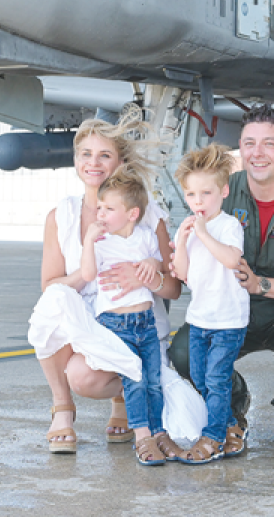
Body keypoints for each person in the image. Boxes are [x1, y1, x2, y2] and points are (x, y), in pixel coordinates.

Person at [169, 105, 274, 450]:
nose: (256, 154)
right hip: (225, 310)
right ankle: (232, 406)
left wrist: (260, 283)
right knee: (184, 353)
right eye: (249, 144)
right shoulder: (218, 191)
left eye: (268, 144)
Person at [27, 116, 198, 458]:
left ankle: (126, 399)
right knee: (55, 304)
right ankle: (62, 408)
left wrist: (146, 275)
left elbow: (174, 289)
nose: (93, 162)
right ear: (75, 160)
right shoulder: (60, 215)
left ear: (120, 162)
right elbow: (50, 285)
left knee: (97, 373)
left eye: (104, 155)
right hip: (89, 325)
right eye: (85, 153)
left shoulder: (147, 214)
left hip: (136, 325)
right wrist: (85, 274)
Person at [80, 169, 173, 465]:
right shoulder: (102, 243)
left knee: (154, 381)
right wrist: (88, 242)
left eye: (109, 208)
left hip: (145, 323)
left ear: (132, 213)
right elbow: (88, 275)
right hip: (116, 325)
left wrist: (151, 262)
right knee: (135, 381)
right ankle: (143, 436)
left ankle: (160, 433)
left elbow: (163, 265)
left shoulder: (145, 237)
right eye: (100, 207)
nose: (101, 213)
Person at [170, 145, 247, 464]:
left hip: (228, 321)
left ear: (224, 191)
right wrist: (182, 241)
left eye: (206, 193)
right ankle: (231, 426)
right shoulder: (192, 229)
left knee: (216, 379)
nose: (198, 201)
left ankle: (213, 437)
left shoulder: (228, 225)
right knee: (201, 378)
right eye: (191, 195)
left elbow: (232, 259)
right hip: (200, 319)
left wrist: (203, 234)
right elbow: (185, 275)